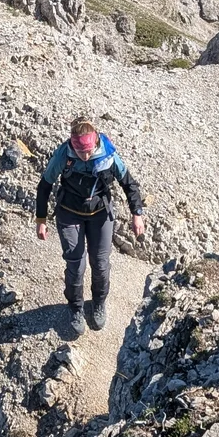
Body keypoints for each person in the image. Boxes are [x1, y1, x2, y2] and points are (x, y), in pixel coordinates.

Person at [36, 119, 145, 337]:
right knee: (76, 264)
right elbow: (45, 184)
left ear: (95, 142)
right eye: (79, 151)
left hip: (100, 215)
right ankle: (75, 308)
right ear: (72, 145)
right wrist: (41, 219)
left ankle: (98, 303)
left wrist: (137, 214)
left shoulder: (108, 155)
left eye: (87, 151)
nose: (84, 156)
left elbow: (129, 183)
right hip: (69, 212)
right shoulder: (63, 155)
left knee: (101, 263)